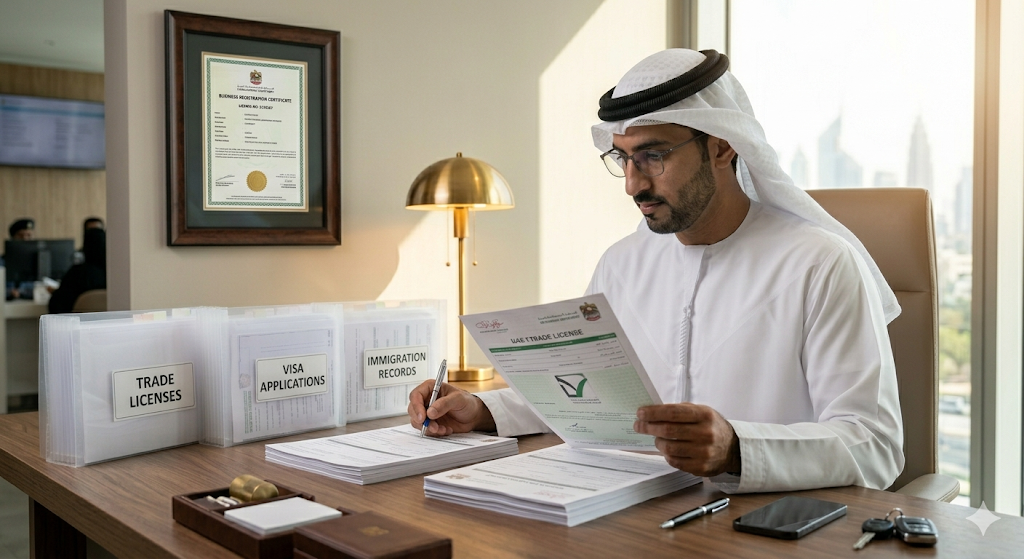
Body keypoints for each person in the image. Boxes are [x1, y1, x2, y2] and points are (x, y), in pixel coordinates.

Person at [407, 49, 904, 494]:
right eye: (622, 158)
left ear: (722, 146)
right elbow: (588, 397)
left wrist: (737, 448)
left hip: (766, 529)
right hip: (629, 518)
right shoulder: (622, 263)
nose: (632, 185)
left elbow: (875, 446)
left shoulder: (818, 262)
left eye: (653, 156)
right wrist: (482, 410)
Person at [48, 228, 105, 314]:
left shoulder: (78, 274)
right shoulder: (116, 276)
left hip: (76, 325)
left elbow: (55, 306)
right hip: (110, 325)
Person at [4, 218, 36, 299]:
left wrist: (21, 292)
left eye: (29, 235)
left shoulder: (38, 262)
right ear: (13, 238)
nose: (25, 239)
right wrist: (9, 292)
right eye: (21, 235)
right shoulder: (2, 262)